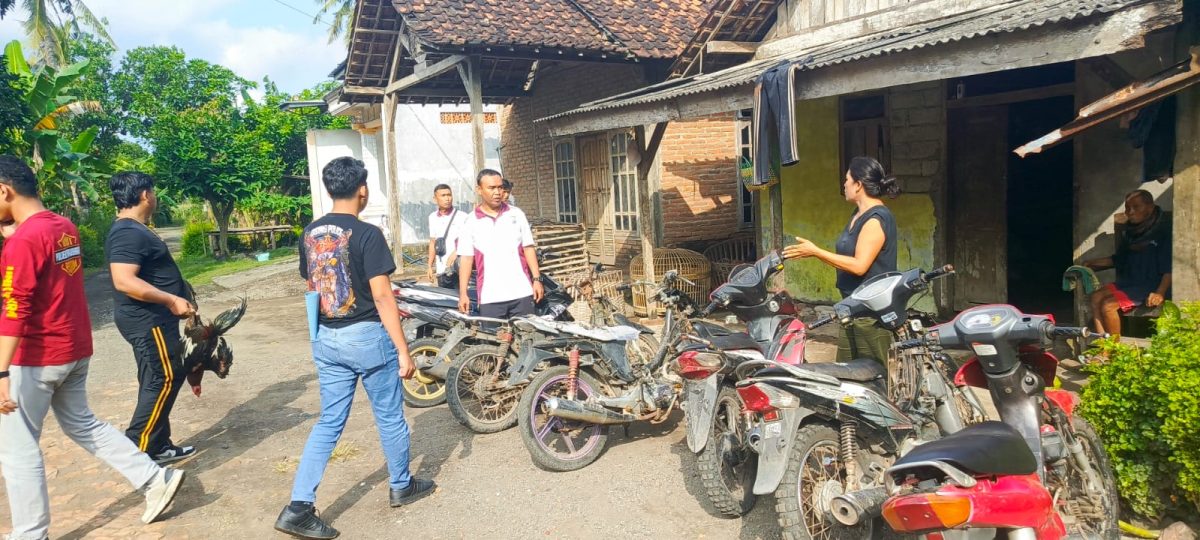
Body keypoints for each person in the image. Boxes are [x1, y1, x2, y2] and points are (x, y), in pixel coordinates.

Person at [0, 156, 185, 540]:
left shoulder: (24, 241)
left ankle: (31, 534)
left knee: (17, 449)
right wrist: (12, 236)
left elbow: (15, 307)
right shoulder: (62, 227)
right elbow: (41, 264)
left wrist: (1, 371)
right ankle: (154, 478)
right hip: (73, 349)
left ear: (4, 190)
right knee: (83, 424)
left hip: (35, 357)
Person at [276, 157, 434, 540]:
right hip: (366, 336)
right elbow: (382, 296)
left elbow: (313, 287)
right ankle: (401, 485)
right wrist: (403, 350)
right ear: (362, 189)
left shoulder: (310, 233)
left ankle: (298, 507)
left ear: (330, 188)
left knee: (329, 421)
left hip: (328, 338)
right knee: (389, 416)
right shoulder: (367, 234)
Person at [105, 172, 197, 463]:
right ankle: (138, 452)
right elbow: (124, 280)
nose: (155, 197)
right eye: (153, 192)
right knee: (164, 377)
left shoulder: (134, 229)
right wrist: (170, 299)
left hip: (153, 320)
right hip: (147, 320)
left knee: (155, 378)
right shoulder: (128, 232)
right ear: (145, 195)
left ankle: (157, 445)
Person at [783, 156, 900, 363]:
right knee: (847, 373)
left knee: (874, 373)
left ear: (858, 185)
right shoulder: (858, 214)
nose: (844, 184)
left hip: (870, 315)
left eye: (847, 180)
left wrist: (816, 252)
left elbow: (859, 266)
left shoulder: (876, 219)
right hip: (851, 308)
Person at [456, 169, 543, 318]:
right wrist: (463, 293)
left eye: (500, 187)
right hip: (490, 297)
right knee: (493, 334)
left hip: (522, 293)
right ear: (479, 190)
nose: (497, 192)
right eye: (491, 188)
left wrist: (536, 279)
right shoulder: (471, 221)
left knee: (528, 332)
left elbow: (528, 248)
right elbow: (466, 259)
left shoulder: (516, 214)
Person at [1084, 189, 1172, 336]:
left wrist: (1160, 293)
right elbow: (1119, 259)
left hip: (1151, 285)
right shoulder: (1131, 233)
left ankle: (1113, 347)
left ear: (1150, 207)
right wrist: (1089, 264)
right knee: (1096, 297)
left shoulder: (1163, 231)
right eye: (1127, 208)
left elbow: (1169, 268)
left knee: (1108, 306)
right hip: (1130, 283)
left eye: (1136, 207)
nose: (1130, 212)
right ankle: (1102, 340)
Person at [426, 184, 466, 288]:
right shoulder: (432, 217)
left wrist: (456, 252)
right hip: (441, 271)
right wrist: (430, 266)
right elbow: (433, 242)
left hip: (458, 269)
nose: (447, 198)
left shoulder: (462, 217)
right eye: (443, 195)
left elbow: (468, 241)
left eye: (449, 195)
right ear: (435, 199)